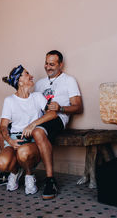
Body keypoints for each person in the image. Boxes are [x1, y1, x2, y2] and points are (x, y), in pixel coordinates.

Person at [0, 64, 57, 195]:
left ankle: (29, 175)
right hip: (14, 139)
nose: (31, 76)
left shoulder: (37, 96)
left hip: (30, 140)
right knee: (2, 163)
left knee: (23, 152)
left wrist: (33, 124)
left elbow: (52, 114)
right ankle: (15, 172)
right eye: (27, 73)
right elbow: (3, 126)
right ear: (19, 81)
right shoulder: (9, 100)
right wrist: (10, 141)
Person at [32, 50, 82, 199]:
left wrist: (60, 108)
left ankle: (50, 180)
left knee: (38, 132)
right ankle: (12, 173)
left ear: (61, 65)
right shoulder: (40, 83)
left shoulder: (69, 80)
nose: (48, 67)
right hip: (40, 119)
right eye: (46, 63)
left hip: (58, 119)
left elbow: (78, 107)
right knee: (15, 129)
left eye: (52, 64)